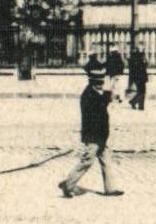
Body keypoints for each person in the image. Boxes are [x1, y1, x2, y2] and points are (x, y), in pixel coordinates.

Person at [58, 64, 123, 198]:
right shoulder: (88, 95)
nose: (100, 85)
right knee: (87, 161)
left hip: (101, 135)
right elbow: (102, 103)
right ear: (92, 82)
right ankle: (68, 184)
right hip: (94, 136)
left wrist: (111, 88)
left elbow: (105, 98)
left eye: (101, 82)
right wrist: (110, 89)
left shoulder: (95, 93)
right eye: (98, 82)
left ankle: (110, 189)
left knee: (106, 161)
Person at [127, 44, 148, 110]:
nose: (143, 50)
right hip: (139, 76)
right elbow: (143, 65)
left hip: (139, 76)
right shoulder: (139, 57)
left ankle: (135, 102)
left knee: (141, 91)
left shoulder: (136, 56)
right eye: (142, 49)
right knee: (142, 91)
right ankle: (139, 105)